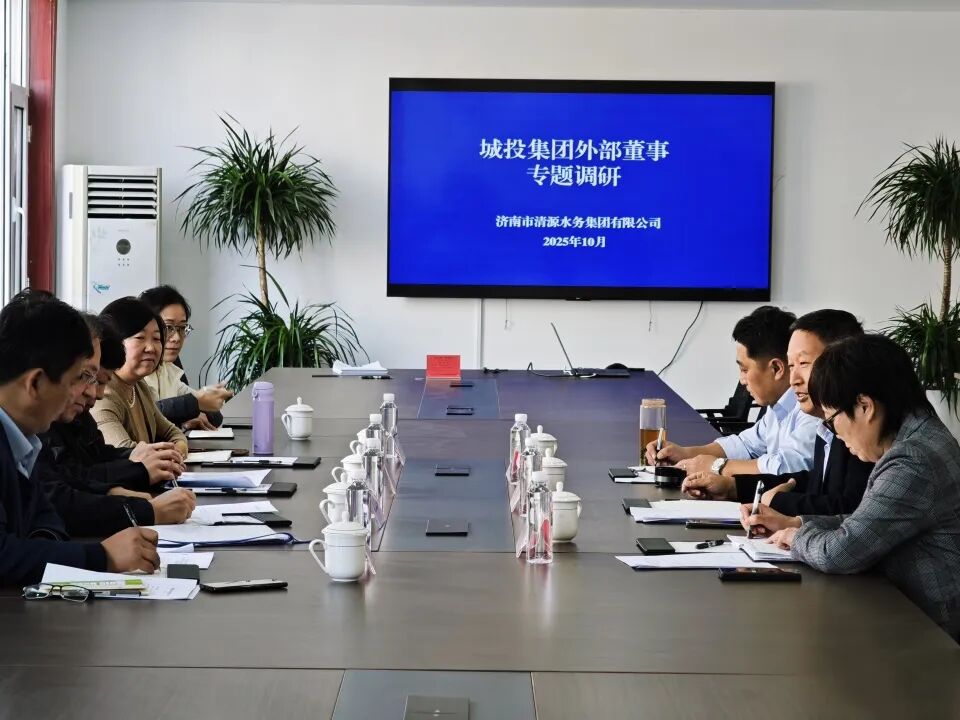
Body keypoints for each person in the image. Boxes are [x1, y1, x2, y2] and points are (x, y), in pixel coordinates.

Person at [765, 334, 960, 641]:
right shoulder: (919, 435)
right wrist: (796, 522)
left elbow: (840, 553)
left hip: (929, 637)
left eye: (831, 420)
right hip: (904, 616)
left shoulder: (913, 461)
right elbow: (867, 521)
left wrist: (796, 537)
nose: (835, 434)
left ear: (865, 406)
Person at [0, 291, 160, 586]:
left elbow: (48, 519)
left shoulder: (26, 441)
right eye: (77, 379)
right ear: (35, 383)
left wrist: (44, 552)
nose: (83, 393)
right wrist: (101, 557)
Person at [682, 309, 873, 523]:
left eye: (804, 364)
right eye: (792, 365)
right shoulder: (826, 423)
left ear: (841, 364)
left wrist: (776, 502)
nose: (793, 380)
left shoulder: (861, 429)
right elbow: (812, 483)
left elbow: (852, 511)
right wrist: (733, 487)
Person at [37, 313, 195, 537]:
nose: (95, 393)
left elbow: (87, 464)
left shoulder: (138, 389)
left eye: (157, 338)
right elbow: (61, 492)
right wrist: (139, 491)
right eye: (86, 377)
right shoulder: (45, 422)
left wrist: (124, 478)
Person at [647, 305, 818, 476]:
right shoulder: (778, 408)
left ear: (776, 368)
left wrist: (718, 466)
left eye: (744, 370)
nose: (742, 381)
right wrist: (685, 453)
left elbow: (787, 466)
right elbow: (745, 445)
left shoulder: (812, 410)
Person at [92, 297, 189, 458]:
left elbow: (174, 433)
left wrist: (177, 450)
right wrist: (169, 455)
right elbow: (127, 455)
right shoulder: (102, 394)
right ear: (114, 341)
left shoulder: (139, 386)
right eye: (140, 338)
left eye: (157, 339)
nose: (151, 348)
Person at [139, 285, 232, 430]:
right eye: (168, 328)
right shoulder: (132, 372)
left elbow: (213, 414)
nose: (176, 338)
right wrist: (189, 409)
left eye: (182, 328)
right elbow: (141, 415)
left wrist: (207, 397)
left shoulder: (167, 370)